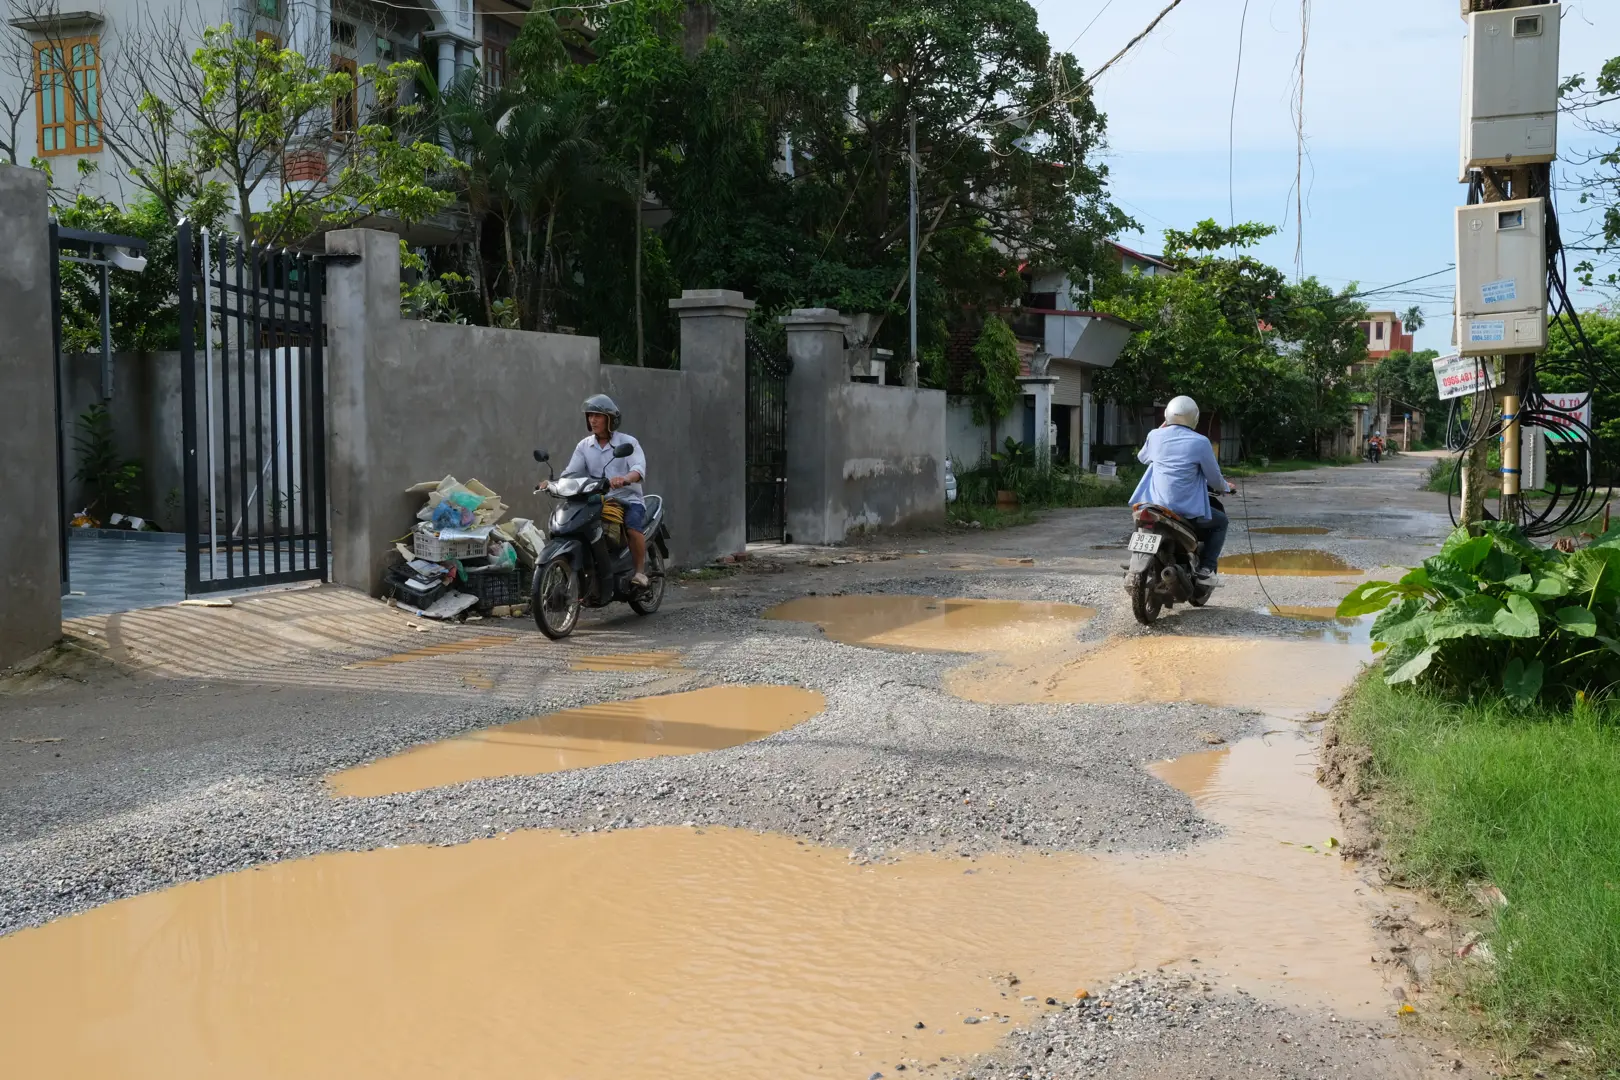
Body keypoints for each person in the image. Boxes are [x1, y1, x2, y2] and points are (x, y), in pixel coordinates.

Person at [1129, 395, 1236, 582]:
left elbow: (1142, 458)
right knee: (1221, 523)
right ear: (1194, 417)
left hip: (1154, 507)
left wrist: (1163, 426)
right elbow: (1215, 479)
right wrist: (1226, 487)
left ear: (1167, 415)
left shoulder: (1154, 435)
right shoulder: (1200, 442)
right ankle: (1207, 569)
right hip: (1184, 511)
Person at [564, 394, 649, 587]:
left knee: (633, 528)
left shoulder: (628, 442)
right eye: (590, 415)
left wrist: (625, 479)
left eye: (598, 415)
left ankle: (639, 572)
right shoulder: (584, 446)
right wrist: (553, 483)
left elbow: (638, 469)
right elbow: (571, 472)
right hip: (598, 500)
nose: (592, 420)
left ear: (610, 419)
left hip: (628, 499)